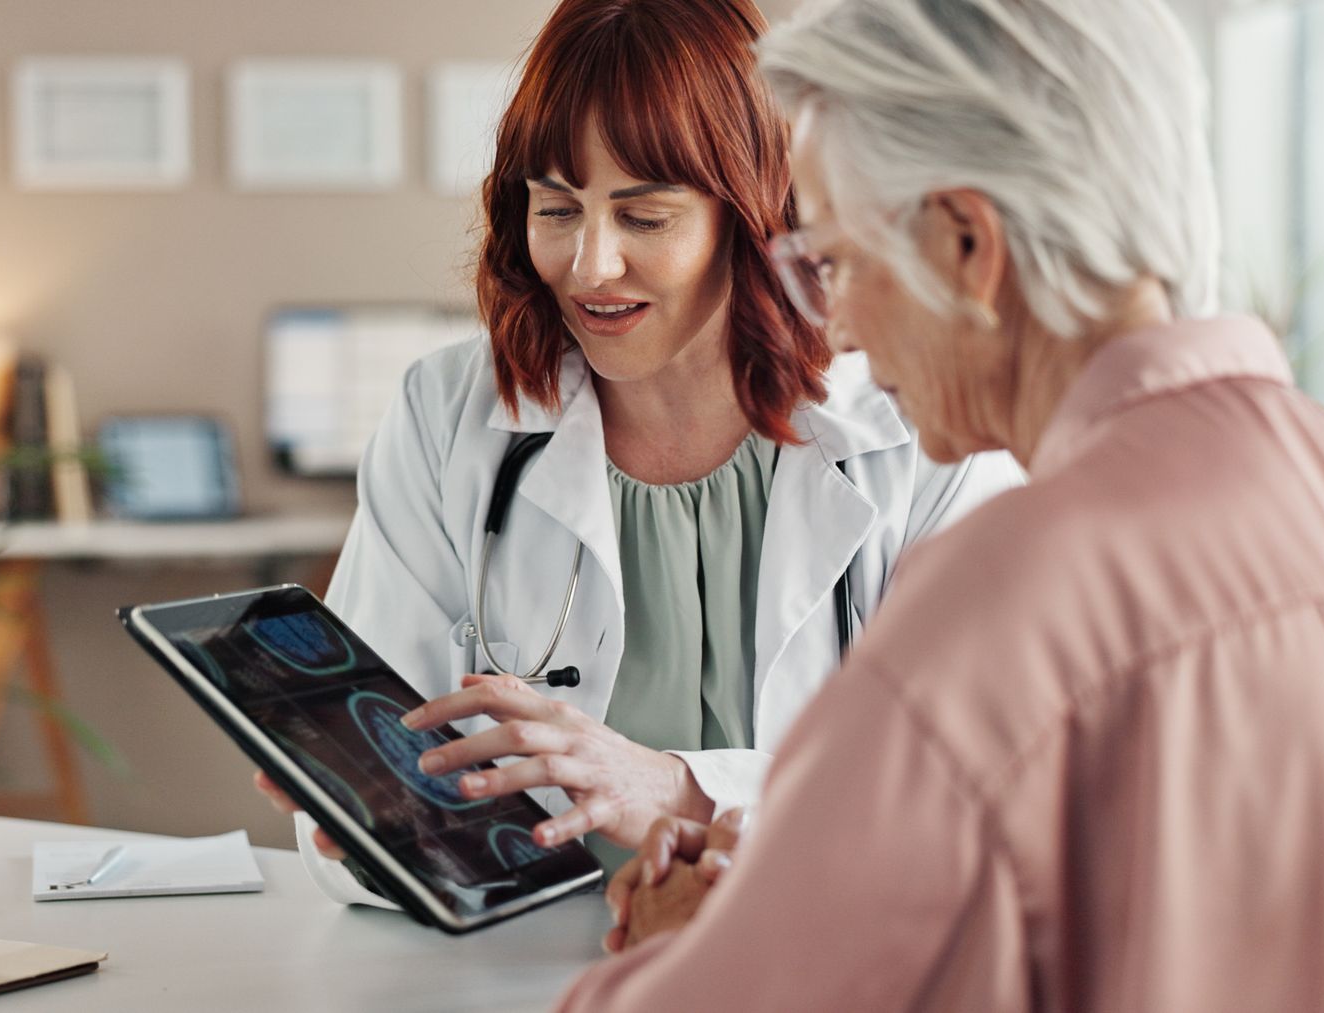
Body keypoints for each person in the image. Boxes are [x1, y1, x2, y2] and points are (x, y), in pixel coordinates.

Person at [564, 0, 1324, 1008]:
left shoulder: (1012, 593)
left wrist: (685, 936)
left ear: (966, 245)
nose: (843, 330)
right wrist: (797, 861)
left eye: (836, 264)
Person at [256, 0, 1020, 906]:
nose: (589, 265)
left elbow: (979, 795)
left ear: (753, 215)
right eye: (556, 207)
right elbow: (369, 781)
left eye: (644, 217)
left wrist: (677, 790)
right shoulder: (447, 415)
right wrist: (384, 832)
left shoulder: (921, 432)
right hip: (522, 972)